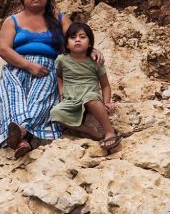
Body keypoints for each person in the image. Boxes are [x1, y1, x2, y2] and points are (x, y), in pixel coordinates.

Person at [0, 0, 78, 158]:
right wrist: (28, 65)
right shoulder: (12, 21)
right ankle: (21, 135)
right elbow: (4, 50)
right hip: (17, 66)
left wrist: (92, 50)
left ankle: (19, 134)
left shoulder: (60, 19)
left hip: (47, 67)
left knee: (40, 98)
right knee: (11, 97)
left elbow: (77, 39)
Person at [50, 22, 120, 150]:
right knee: (55, 113)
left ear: (90, 43)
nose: (77, 40)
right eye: (73, 37)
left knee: (91, 99)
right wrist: (61, 93)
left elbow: (105, 85)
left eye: (82, 37)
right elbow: (59, 76)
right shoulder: (61, 60)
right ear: (66, 44)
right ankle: (89, 130)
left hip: (90, 94)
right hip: (71, 98)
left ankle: (109, 131)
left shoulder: (95, 61)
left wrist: (107, 101)